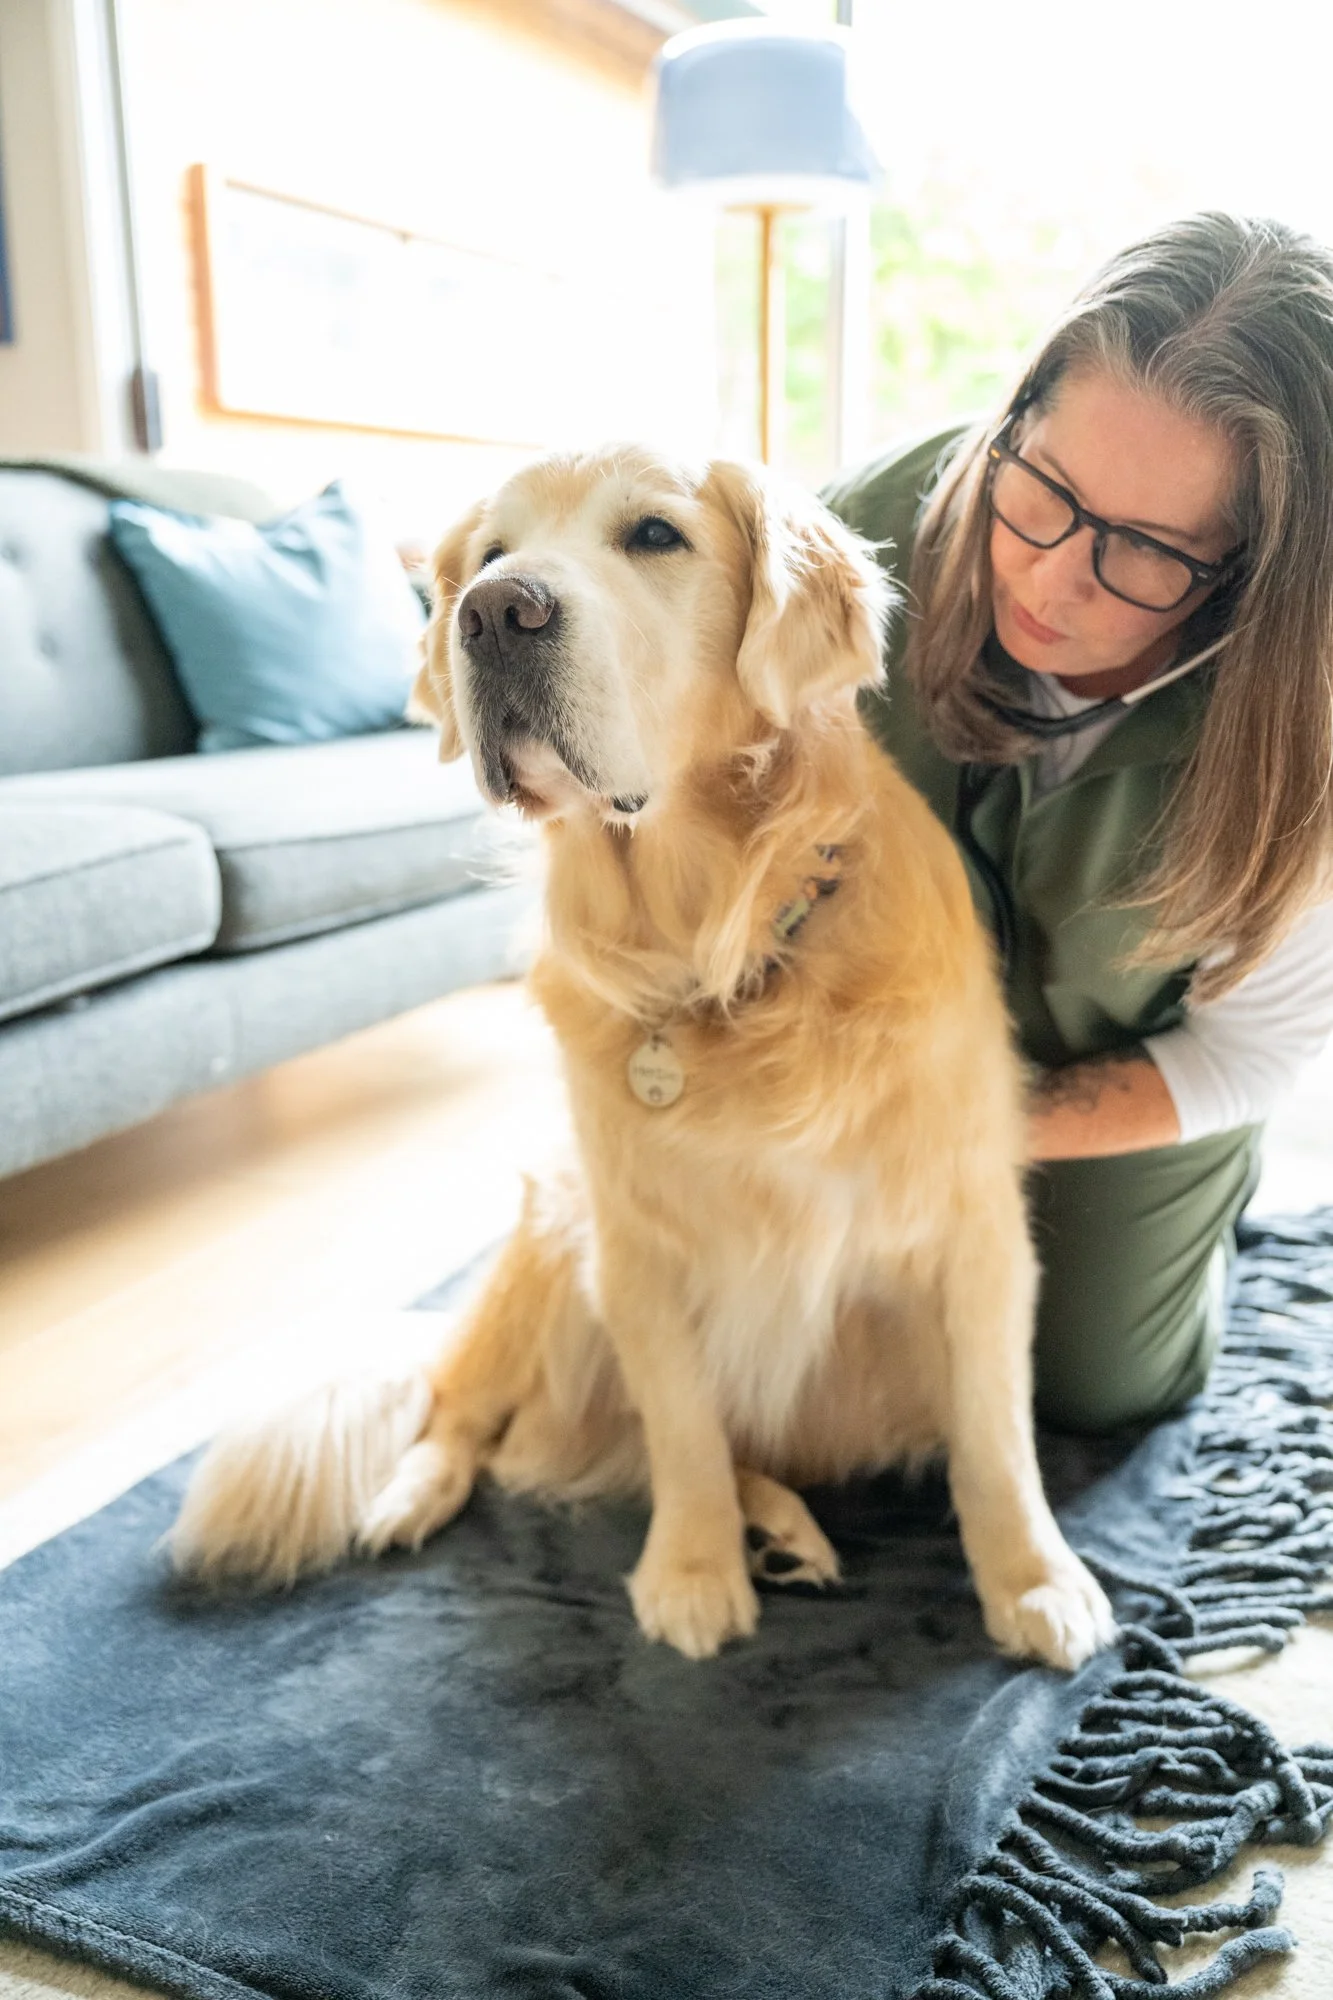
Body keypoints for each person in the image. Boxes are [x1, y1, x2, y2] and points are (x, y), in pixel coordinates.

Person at [823, 211, 1333, 1434]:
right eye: (1044, 487)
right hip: (857, 1038)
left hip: (1132, 1060)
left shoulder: (1306, 721)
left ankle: (1210, 1214)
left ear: (1255, 574)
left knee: (1099, 1388)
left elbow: (1248, 1052)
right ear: (1014, 417)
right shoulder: (854, 533)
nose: (1049, 579)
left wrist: (970, 1134)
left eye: (1146, 552)